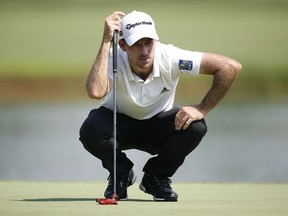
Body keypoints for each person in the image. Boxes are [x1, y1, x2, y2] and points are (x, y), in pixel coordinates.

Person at [79, 10, 242, 202]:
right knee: (91, 129)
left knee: (196, 126)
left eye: (149, 43)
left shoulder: (171, 57)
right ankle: (121, 174)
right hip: (118, 124)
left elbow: (230, 67)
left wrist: (201, 108)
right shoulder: (113, 57)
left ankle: (156, 177)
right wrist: (106, 42)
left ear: (156, 41)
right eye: (137, 45)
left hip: (158, 125)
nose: (145, 51)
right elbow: (95, 92)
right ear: (123, 45)